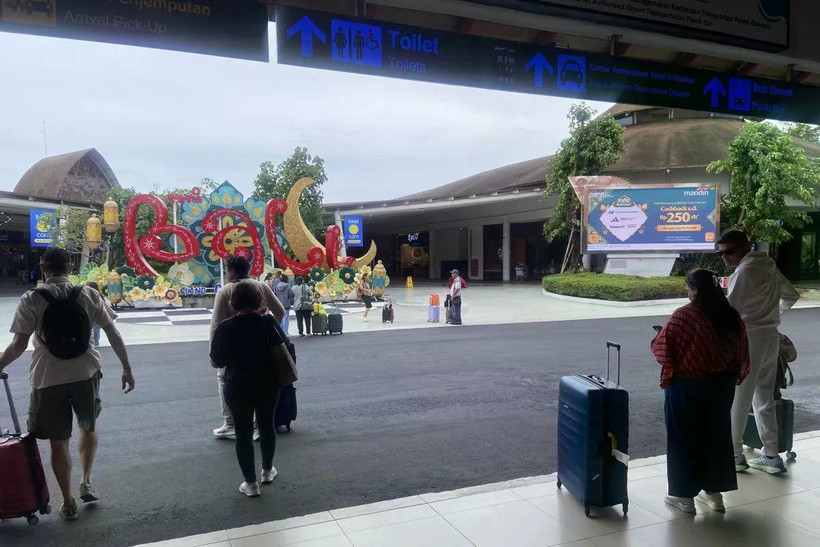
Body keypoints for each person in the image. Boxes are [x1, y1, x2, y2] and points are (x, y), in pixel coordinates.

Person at [0, 247, 135, 521]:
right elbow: (112, 332)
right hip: (86, 372)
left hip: (48, 377)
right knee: (88, 425)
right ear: (70, 268)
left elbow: (19, 344)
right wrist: (126, 368)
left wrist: (0, 365)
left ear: (43, 267)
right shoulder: (88, 294)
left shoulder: (32, 299)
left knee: (58, 441)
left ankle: (68, 501)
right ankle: (86, 481)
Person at [651, 269, 750, 514]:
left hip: (687, 388)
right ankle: (715, 495)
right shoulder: (731, 316)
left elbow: (662, 350)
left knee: (683, 438)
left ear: (695, 290)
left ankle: (684, 497)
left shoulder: (684, 316)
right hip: (721, 388)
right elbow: (741, 354)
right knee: (716, 437)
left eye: (689, 288)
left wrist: (660, 337)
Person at [718, 231, 800, 475]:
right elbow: (791, 295)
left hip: (748, 339)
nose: (725, 257)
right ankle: (771, 455)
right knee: (764, 397)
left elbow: (729, 313)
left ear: (745, 248)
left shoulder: (743, 272)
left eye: (729, 251)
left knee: (739, 399)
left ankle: (735, 456)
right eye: (721, 253)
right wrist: (770, 316)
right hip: (770, 337)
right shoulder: (769, 266)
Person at [210, 282, 291, 497]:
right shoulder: (268, 322)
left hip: (237, 386)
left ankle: (250, 483)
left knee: (243, 432)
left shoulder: (225, 327)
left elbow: (217, 361)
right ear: (258, 301)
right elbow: (285, 348)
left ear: (233, 303)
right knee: (266, 425)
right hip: (268, 383)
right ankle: (267, 470)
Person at [210, 256, 285, 439]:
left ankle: (231, 424)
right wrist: (266, 327)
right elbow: (280, 311)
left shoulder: (225, 291)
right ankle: (260, 427)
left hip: (234, 348)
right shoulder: (262, 286)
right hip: (261, 348)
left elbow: (216, 324)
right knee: (263, 383)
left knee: (224, 379)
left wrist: (214, 354)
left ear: (231, 271)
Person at [86, 282, 118, 347]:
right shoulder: (98, 294)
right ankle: (96, 342)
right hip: (99, 314)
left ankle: (94, 342)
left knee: (93, 329)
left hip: (92, 314)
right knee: (97, 329)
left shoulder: (90, 294)